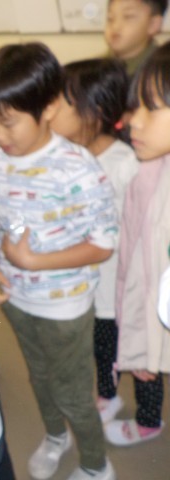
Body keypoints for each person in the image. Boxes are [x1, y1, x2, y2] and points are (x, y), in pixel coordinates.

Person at [0, 43, 118, 480]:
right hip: (18, 298)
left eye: (8, 122)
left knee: (72, 390)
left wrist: (35, 262)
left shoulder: (77, 167)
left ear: (49, 107)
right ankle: (56, 436)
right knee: (38, 376)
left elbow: (103, 244)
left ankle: (96, 465)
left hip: (65, 305)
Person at [50, 58, 139, 425]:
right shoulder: (65, 155)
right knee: (89, 341)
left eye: (61, 103)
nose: (50, 111)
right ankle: (104, 388)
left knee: (108, 344)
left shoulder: (123, 162)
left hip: (111, 283)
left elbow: (135, 227)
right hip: (78, 279)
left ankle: (109, 394)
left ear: (95, 112)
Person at [106, 40, 170, 446]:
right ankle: (149, 419)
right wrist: (142, 346)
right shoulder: (145, 175)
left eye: (152, 108)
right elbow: (135, 270)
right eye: (135, 108)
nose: (135, 123)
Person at [105, 0, 168, 78]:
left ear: (153, 24)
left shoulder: (162, 72)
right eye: (110, 18)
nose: (115, 27)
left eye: (128, 17)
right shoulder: (95, 68)